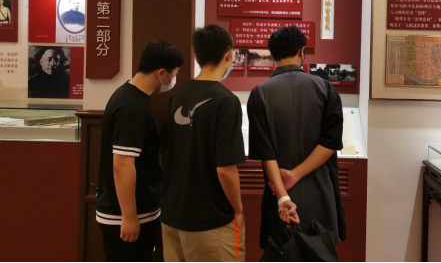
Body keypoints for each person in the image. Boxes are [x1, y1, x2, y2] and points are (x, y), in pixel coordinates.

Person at [248, 26, 347, 250]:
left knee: (281, 253)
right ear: (302, 51)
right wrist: (295, 174)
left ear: (272, 55)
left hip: (279, 196)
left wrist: (283, 197)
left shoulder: (259, 93)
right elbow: (331, 143)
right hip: (321, 193)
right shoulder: (326, 89)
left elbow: (266, 152)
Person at [161, 25, 246, 263]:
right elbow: (225, 169)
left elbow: (169, 148)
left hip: (172, 216)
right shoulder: (226, 101)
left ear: (196, 57)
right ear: (229, 55)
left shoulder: (179, 95)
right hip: (210, 222)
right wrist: (238, 210)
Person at [96, 41, 184, 263]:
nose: (173, 80)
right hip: (124, 217)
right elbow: (122, 165)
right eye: (174, 74)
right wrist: (129, 217)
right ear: (161, 73)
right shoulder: (131, 106)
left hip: (139, 211)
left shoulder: (134, 98)